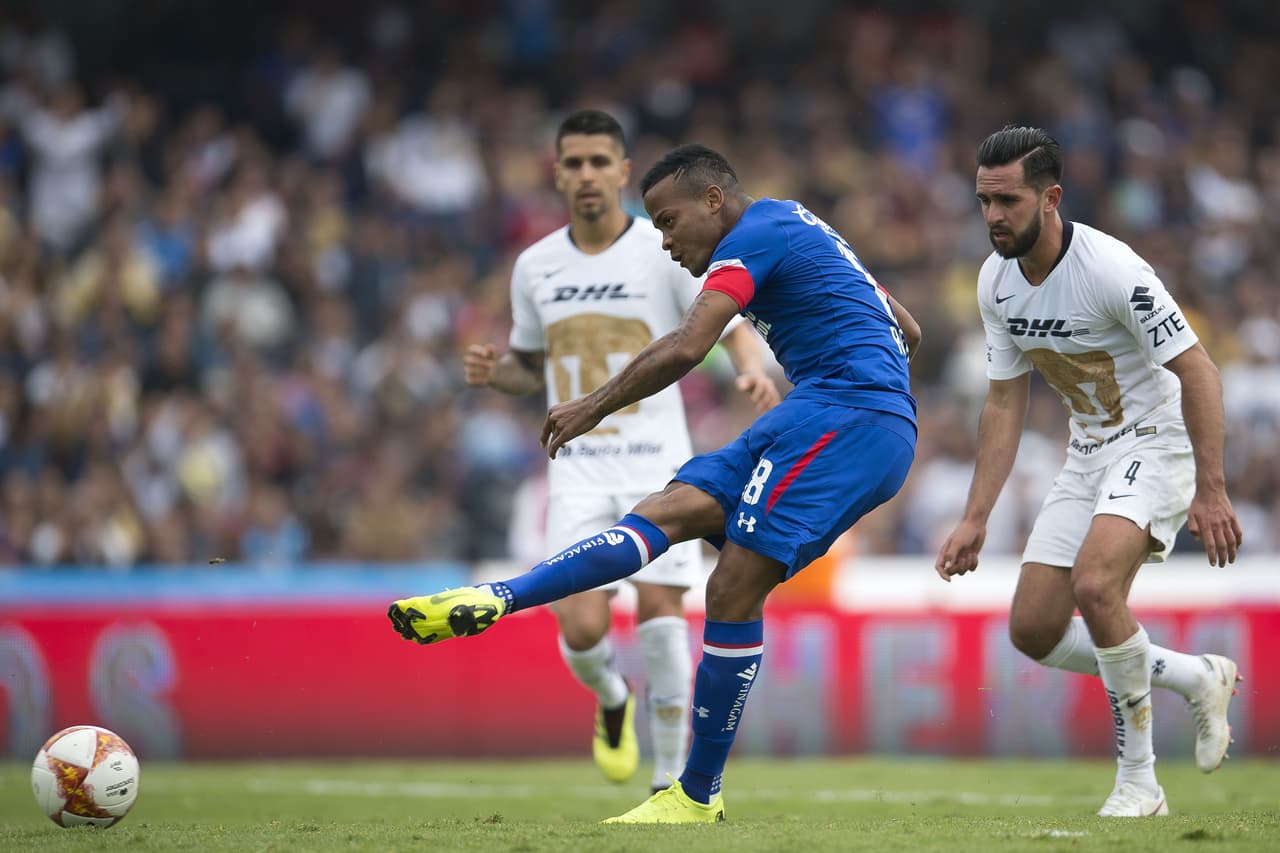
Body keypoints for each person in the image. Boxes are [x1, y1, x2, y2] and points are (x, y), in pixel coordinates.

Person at [389, 143, 921, 823]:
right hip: (825, 407)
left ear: (713, 201)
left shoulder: (753, 236)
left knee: (730, 584)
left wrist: (592, 404)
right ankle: (500, 596)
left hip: (849, 416)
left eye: (669, 222)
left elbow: (685, 345)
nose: (665, 241)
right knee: (669, 509)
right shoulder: (794, 224)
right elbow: (910, 327)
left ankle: (696, 794)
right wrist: (870, 368)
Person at [460, 109, 780, 792]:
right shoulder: (535, 266)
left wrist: (750, 364)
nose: (586, 176)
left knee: (664, 618)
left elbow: (722, 319)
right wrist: (499, 373)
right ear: (557, 173)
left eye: (599, 162)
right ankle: (611, 696)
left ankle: (668, 781)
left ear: (623, 171)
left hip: (655, 455)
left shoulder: (660, 247)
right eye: (573, 163)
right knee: (579, 627)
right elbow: (528, 366)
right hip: (577, 463)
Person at [935, 126, 1244, 818]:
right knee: (1034, 627)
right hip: (1089, 451)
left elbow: (1199, 370)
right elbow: (1006, 398)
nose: (992, 218)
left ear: (1052, 198)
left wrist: (1212, 486)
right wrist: (976, 515)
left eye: (1007, 201)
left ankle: (1140, 782)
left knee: (1097, 583)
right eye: (983, 202)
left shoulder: (1112, 270)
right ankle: (1198, 676)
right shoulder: (995, 281)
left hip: (1158, 439)